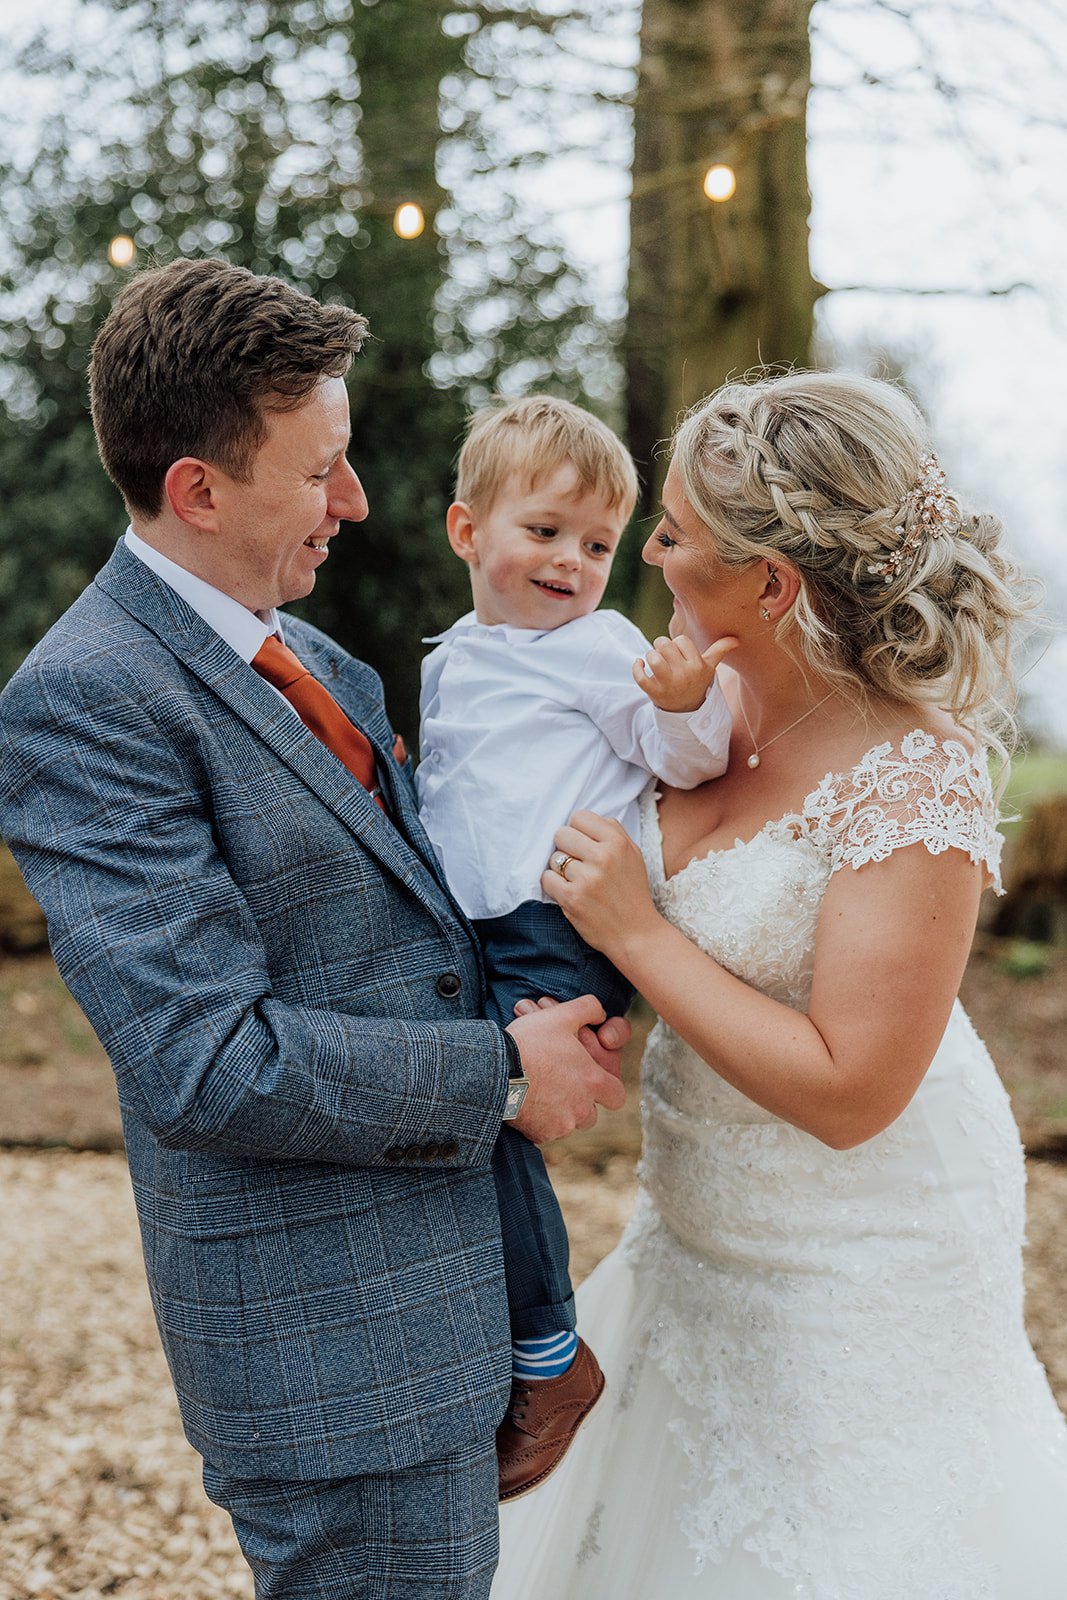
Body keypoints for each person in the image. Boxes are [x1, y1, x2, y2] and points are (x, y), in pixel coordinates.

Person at [0, 256, 632, 1600]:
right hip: (332, 1355)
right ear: (199, 490)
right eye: (321, 470)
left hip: (457, 1313)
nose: (353, 500)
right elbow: (202, 1058)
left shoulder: (329, 663)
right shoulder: (83, 701)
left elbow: (430, 938)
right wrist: (509, 1076)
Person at [491, 371, 1067, 1599]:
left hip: (858, 1243)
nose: (643, 551)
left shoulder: (914, 771)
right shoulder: (694, 709)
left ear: (770, 583)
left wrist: (638, 933)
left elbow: (852, 1089)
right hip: (696, 1221)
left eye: (673, 536)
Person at [417, 395, 735, 1499]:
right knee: (447, 1101)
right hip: (472, 925)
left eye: (597, 544)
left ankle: (548, 1356)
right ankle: (485, 1328)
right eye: (544, 530)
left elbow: (680, 759)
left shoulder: (601, 647)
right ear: (468, 531)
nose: (572, 560)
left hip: (558, 917)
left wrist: (687, 704)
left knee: (491, 1104)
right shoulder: (453, 656)